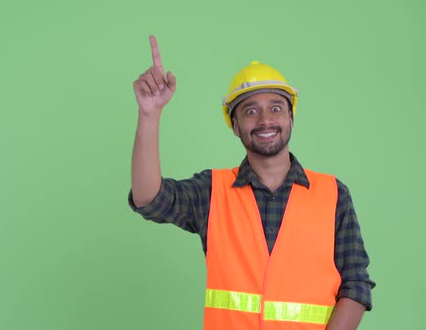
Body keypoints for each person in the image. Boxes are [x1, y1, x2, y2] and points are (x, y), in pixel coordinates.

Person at [128, 35, 375, 330]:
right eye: (250, 111)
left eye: (276, 108)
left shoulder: (334, 194)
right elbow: (149, 199)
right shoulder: (212, 191)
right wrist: (149, 114)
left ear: (291, 118)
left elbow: (356, 285)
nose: (265, 120)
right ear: (235, 126)